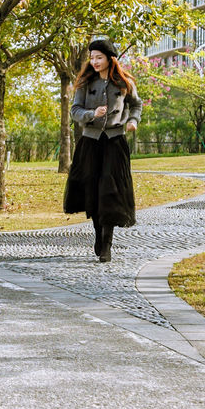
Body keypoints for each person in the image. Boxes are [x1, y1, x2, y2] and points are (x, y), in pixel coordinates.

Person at [63, 38, 142, 262]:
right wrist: (91, 114)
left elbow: (136, 104)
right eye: (92, 58)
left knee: (111, 191)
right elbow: (75, 110)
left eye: (99, 57)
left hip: (115, 142)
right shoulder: (85, 83)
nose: (94, 62)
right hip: (90, 143)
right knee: (94, 192)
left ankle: (107, 244)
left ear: (110, 58)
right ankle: (98, 236)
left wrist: (133, 120)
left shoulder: (124, 82)